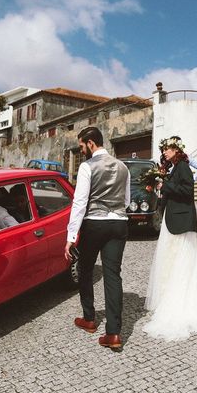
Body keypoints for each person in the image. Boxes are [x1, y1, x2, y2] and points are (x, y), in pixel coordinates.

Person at [65, 126, 131, 350]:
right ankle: (113, 333)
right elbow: (127, 200)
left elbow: (80, 202)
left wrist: (71, 236)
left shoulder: (87, 166)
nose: (81, 149)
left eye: (82, 145)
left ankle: (89, 318)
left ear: (91, 143)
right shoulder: (123, 167)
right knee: (113, 274)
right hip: (120, 223)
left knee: (85, 268)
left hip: (95, 223)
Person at [143, 136, 197, 341]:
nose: (164, 152)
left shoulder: (182, 167)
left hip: (181, 222)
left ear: (177, 150)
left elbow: (188, 191)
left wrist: (165, 186)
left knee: (180, 261)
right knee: (172, 261)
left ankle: (178, 299)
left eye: (168, 149)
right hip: (173, 220)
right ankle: (170, 294)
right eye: (164, 149)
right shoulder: (174, 167)